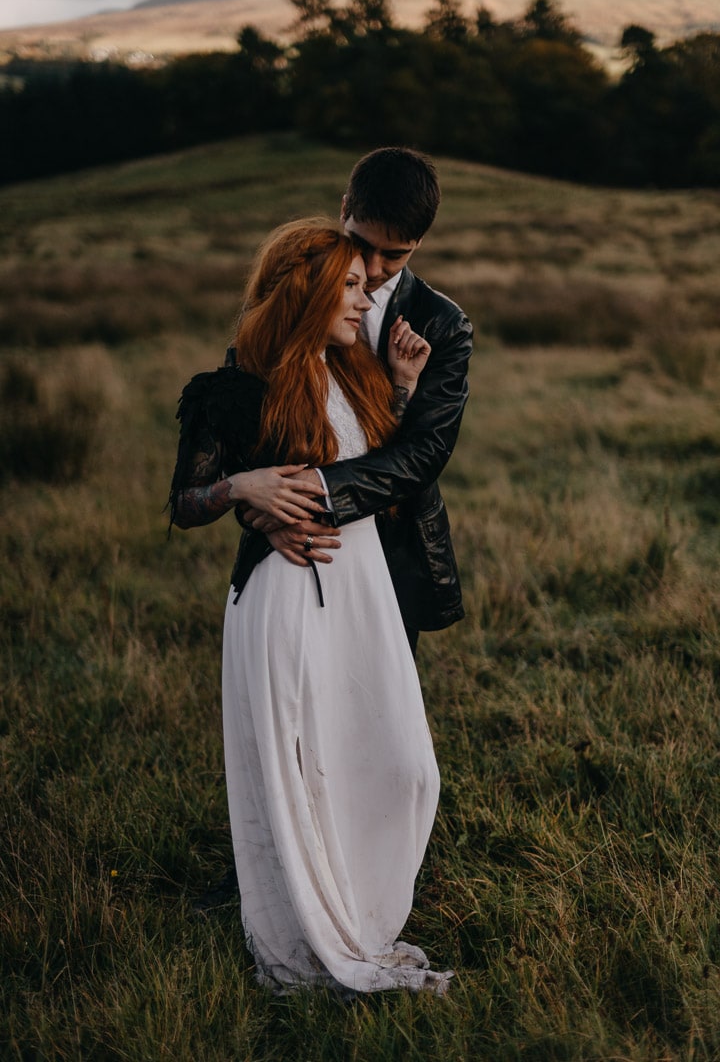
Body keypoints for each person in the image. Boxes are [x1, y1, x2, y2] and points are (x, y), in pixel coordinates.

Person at [170, 219, 453, 995]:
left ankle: (360, 920)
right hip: (288, 601)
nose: (365, 298)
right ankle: (306, 937)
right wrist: (244, 490)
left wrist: (398, 385)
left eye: (365, 284)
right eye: (353, 285)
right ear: (310, 290)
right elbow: (185, 501)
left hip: (365, 596)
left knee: (403, 767)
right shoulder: (235, 388)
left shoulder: (358, 369)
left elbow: (387, 469)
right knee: (308, 775)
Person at [240, 147, 473, 656]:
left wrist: (310, 500)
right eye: (363, 245)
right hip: (291, 554)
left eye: (395, 255)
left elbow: (423, 454)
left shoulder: (444, 325)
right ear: (345, 207)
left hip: (392, 545)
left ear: (420, 242)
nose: (372, 268)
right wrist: (264, 512)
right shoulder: (294, 283)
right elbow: (243, 410)